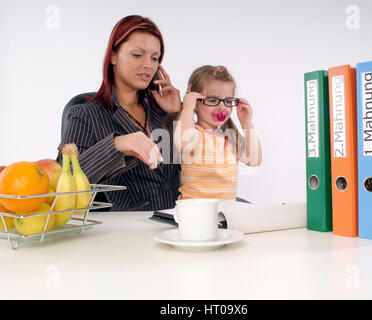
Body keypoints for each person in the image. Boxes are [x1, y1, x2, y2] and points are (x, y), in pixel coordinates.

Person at [58, 15, 182, 211]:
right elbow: (65, 180)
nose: (148, 65)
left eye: (155, 58)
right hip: (129, 229)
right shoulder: (84, 114)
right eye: (137, 55)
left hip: (181, 221)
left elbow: (200, 166)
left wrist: (177, 114)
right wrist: (116, 145)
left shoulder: (164, 109)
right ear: (114, 56)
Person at [168, 65, 262, 200]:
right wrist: (187, 107)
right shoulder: (194, 133)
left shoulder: (230, 137)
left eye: (228, 101)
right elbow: (184, 144)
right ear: (195, 103)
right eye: (212, 100)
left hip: (225, 210)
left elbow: (254, 160)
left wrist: (247, 123)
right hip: (194, 210)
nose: (222, 107)